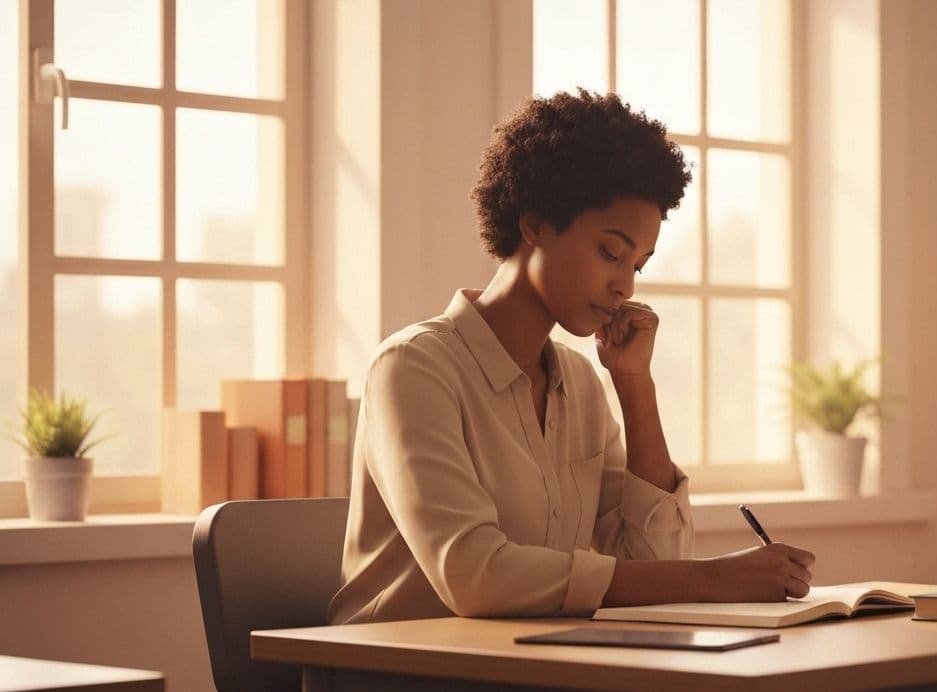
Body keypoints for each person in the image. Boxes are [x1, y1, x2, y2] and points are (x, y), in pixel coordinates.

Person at [327, 89, 816, 630]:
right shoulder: (412, 368)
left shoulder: (580, 382)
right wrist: (715, 578)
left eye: (638, 265)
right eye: (610, 252)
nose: (624, 285)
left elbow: (651, 567)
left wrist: (635, 387)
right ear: (535, 223)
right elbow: (475, 575)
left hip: (533, 679)